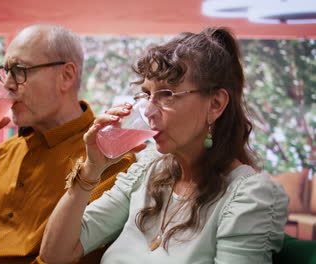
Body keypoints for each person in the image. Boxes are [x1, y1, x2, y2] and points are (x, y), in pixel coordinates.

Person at [40, 27, 289, 263]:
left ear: (215, 104)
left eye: (167, 94)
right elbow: (56, 253)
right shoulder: (148, 168)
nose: (148, 111)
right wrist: (91, 169)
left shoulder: (248, 196)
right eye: (147, 94)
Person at [0, 24, 136, 264]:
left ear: (66, 75)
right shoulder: (6, 151)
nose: (7, 85)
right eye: (6, 72)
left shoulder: (107, 158)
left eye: (20, 71)